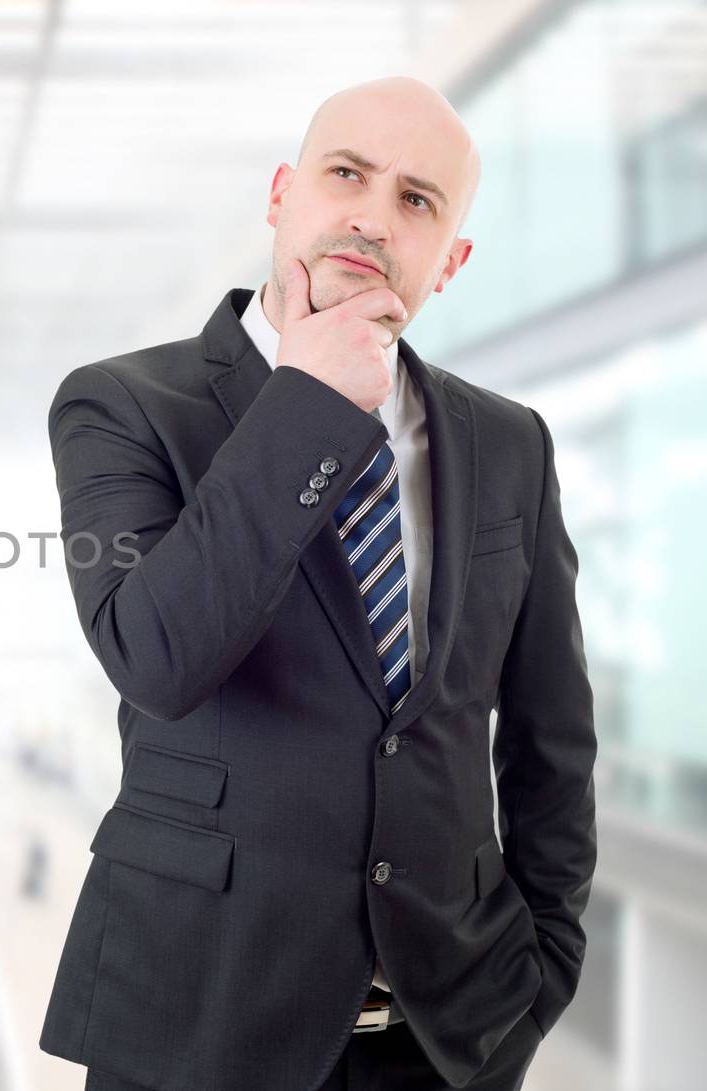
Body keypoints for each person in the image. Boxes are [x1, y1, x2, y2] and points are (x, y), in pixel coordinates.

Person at [38, 76, 596, 1091]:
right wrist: (307, 400)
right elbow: (156, 655)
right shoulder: (121, 405)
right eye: (347, 174)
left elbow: (549, 739)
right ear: (282, 193)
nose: (373, 216)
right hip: (195, 1021)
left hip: (444, 1035)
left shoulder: (510, 444)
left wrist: (543, 967)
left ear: (451, 258)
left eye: (417, 201)